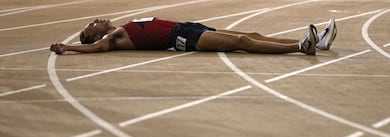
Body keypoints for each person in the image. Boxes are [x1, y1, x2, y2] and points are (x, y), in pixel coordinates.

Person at [50, 17, 336, 56]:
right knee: (241, 43)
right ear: (94, 35)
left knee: (250, 33)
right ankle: (301, 46)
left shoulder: (121, 27)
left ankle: (315, 43)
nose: (95, 21)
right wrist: (68, 48)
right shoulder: (115, 37)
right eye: (91, 25)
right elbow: (97, 48)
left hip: (186, 27)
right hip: (182, 38)